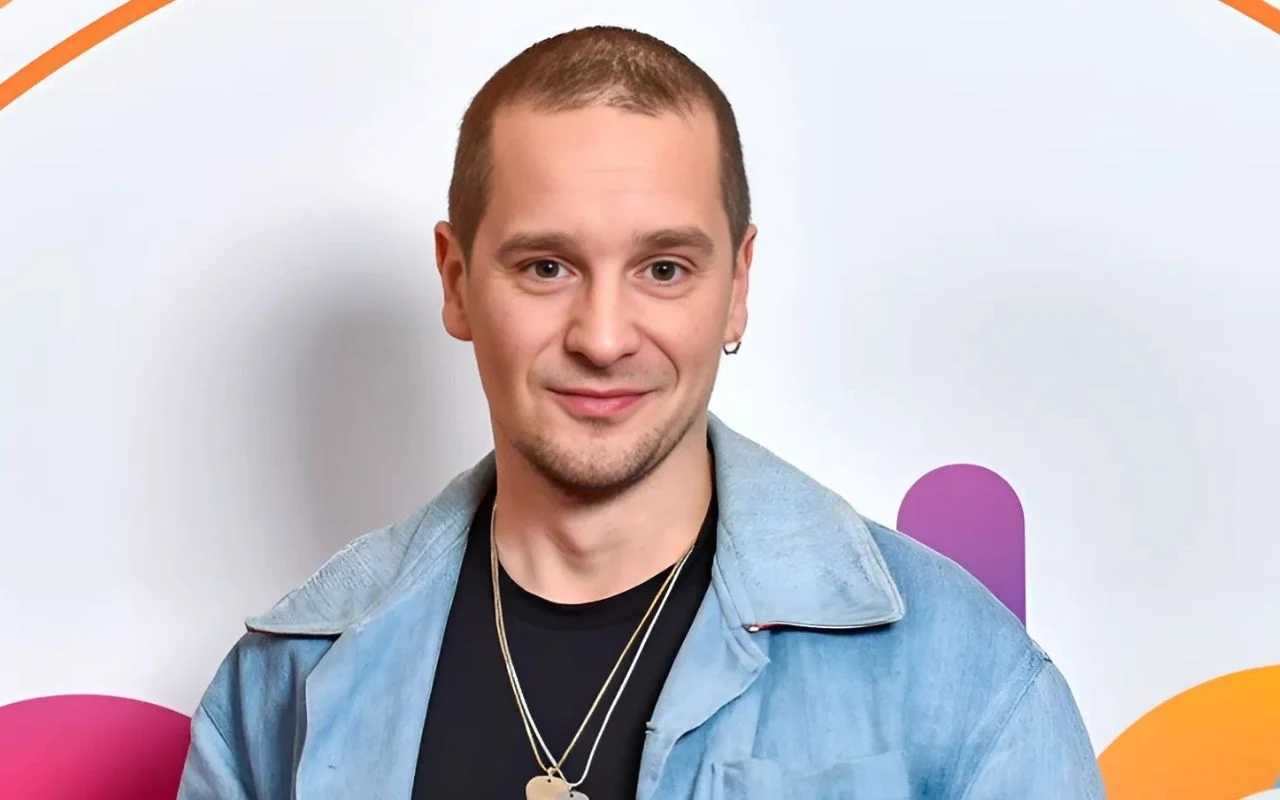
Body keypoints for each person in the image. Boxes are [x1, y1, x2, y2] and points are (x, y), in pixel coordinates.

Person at [177, 25, 1105, 800]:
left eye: (664, 269)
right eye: (547, 267)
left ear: (737, 287)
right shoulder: (282, 687)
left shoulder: (965, 680)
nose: (604, 336)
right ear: (457, 283)